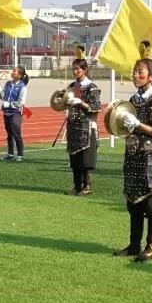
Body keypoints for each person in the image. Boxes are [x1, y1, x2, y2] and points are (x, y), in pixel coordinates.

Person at [114, 41, 152, 262]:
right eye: (135, 71)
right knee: (134, 202)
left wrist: (138, 125)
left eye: (140, 72)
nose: (135, 75)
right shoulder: (133, 100)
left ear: (151, 76)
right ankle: (133, 245)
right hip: (133, 155)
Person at [64, 46, 102, 195]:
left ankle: (87, 186)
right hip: (73, 124)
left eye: (78, 69)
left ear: (85, 70)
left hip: (87, 125)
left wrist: (80, 102)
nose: (75, 72)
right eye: (74, 69)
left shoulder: (92, 88)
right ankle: (77, 186)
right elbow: (64, 102)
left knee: (86, 158)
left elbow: (96, 108)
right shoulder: (72, 86)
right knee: (74, 158)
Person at [0, 65, 28, 162]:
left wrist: (9, 104)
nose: (12, 72)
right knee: (9, 134)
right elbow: (3, 97)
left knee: (16, 133)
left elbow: (20, 103)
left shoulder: (22, 87)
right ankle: (10, 154)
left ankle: (20, 154)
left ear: (19, 75)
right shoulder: (8, 84)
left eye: (15, 71)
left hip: (15, 113)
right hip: (6, 113)